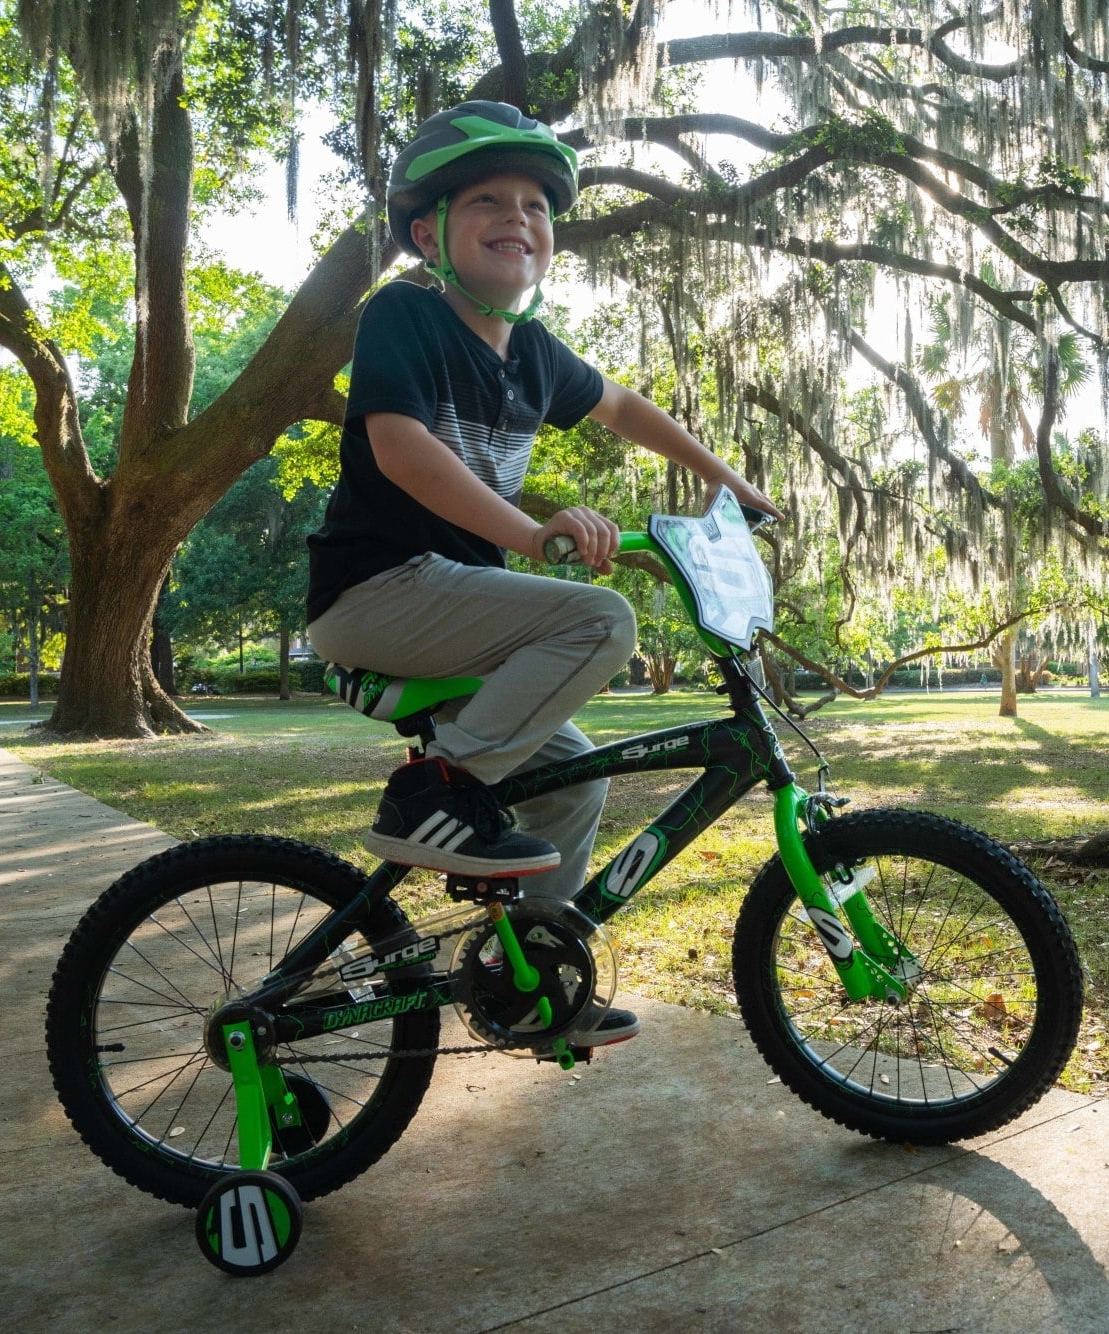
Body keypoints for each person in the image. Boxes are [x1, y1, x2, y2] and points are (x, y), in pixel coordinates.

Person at [305, 102, 778, 1045]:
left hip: (454, 612)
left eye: (535, 204)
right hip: (378, 590)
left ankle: (525, 981)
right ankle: (432, 796)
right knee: (598, 619)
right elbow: (400, 449)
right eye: (487, 200)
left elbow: (625, 407)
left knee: (572, 778)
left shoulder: (533, 355)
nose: (517, 216)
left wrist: (726, 480)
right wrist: (533, 537)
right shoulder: (405, 314)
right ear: (428, 235)